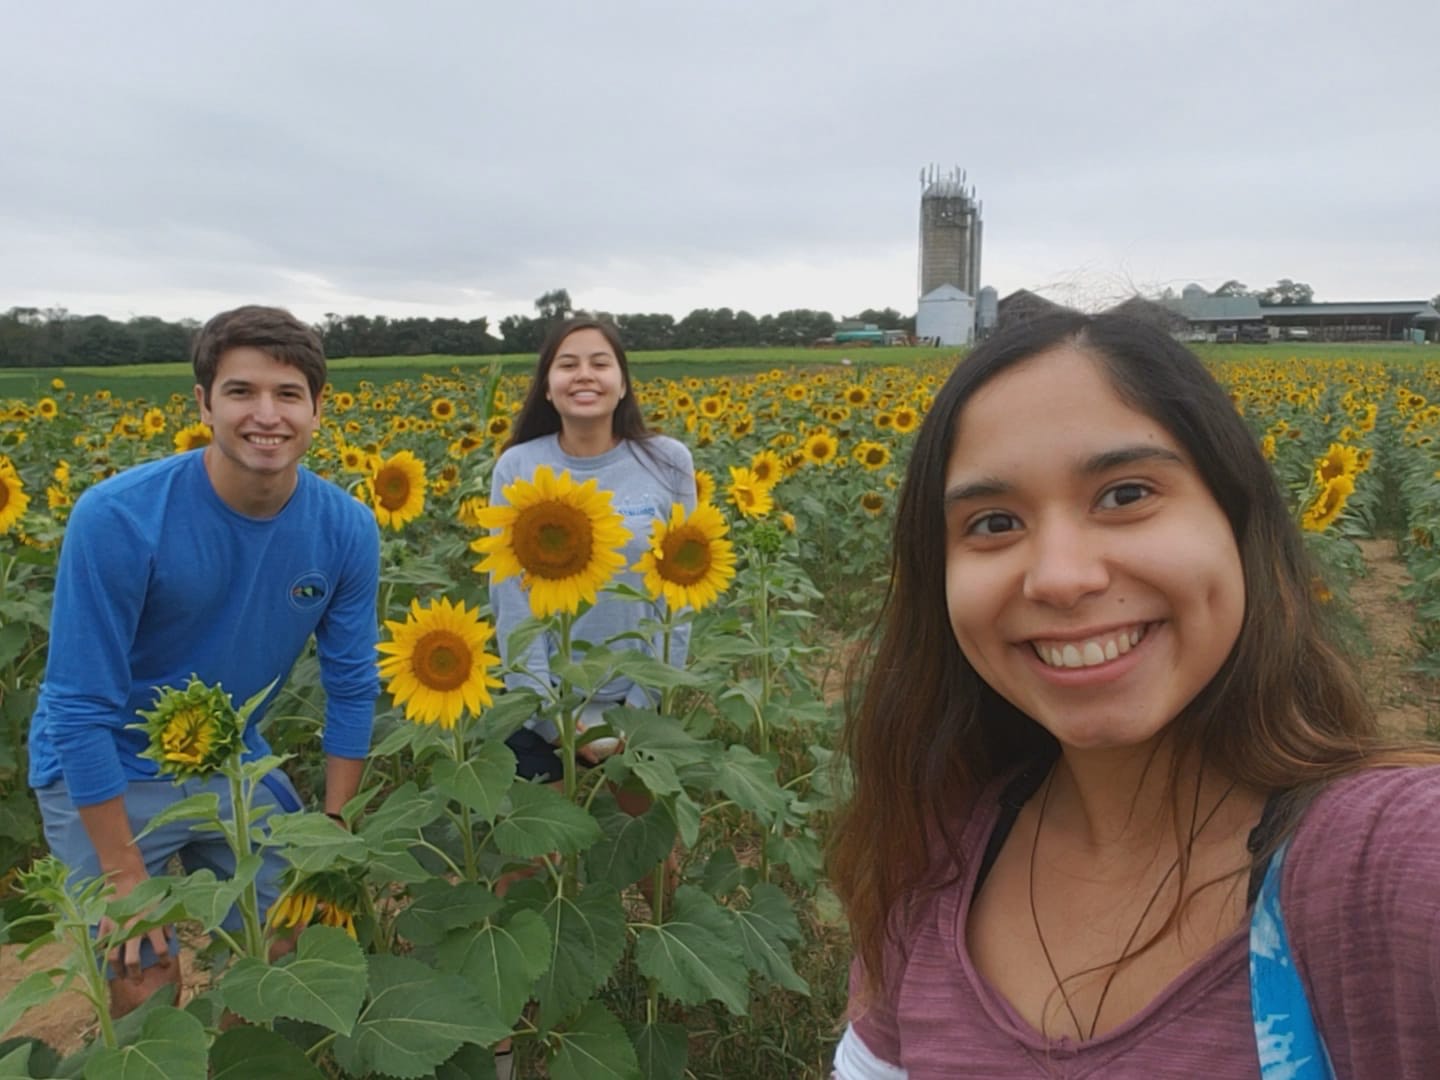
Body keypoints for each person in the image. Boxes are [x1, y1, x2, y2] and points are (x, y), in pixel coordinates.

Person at [828, 312, 1440, 1078]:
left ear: (1239, 522)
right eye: (992, 522)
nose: (1059, 576)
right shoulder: (929, 865)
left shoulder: (1381, 865)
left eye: (1125, 495)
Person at [28, 305, 381, 1017]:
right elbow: (76, 709)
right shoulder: (120, 518)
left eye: (288, 395)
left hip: (229, 765)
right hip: (108, 769)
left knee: (296, 938)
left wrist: (334, 833)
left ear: (318, 408)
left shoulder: (344, 526)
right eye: (241, 392)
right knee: (142, 969)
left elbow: (350, 686)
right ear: (203, 404)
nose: (266, 415)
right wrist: (127, 878)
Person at [487, 315, 696, 779]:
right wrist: (549, 716)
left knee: (640, 841)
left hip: (638, 698)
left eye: (600, 363)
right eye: (567, 364)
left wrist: (640, 711)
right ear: (547, 387)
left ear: (623, 384)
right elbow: (511, 599)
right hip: (548, 700)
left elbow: (676, 597)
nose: (584, 374)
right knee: (545, 845)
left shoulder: (668, 462)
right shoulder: (518, 466)